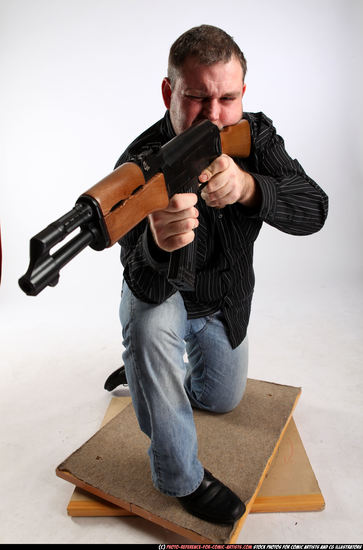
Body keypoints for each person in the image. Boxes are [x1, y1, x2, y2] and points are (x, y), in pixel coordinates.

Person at [112, 24, 328, 524]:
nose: (213, 115)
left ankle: (150, 377)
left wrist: (252, 186)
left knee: (223, 399)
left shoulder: (257, 135)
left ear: (243, 94)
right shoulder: (136, 164)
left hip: (222, 304)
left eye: (227, 98)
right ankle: (180, 478)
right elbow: (140, 282)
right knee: (148, 327)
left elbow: (315, 209)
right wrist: (155, 243)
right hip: (160, 296)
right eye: (195, 97)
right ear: (169, 92)